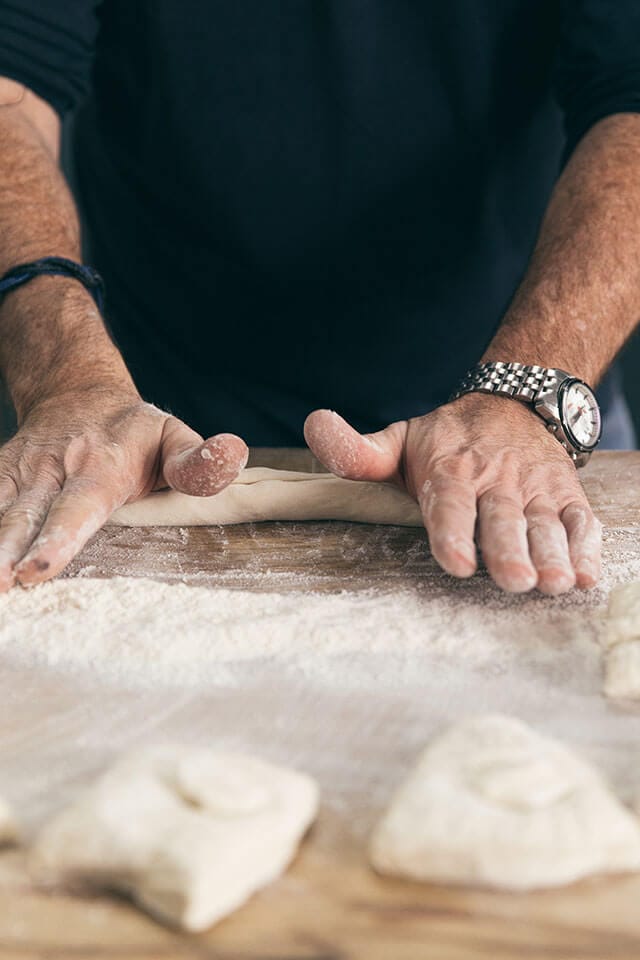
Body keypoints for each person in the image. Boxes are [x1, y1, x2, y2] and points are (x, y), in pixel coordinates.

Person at [0, 2, 638, 596]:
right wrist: (67, 375)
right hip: (136, 419)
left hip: (531, 406)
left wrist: (528, 393)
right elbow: (12, 81)